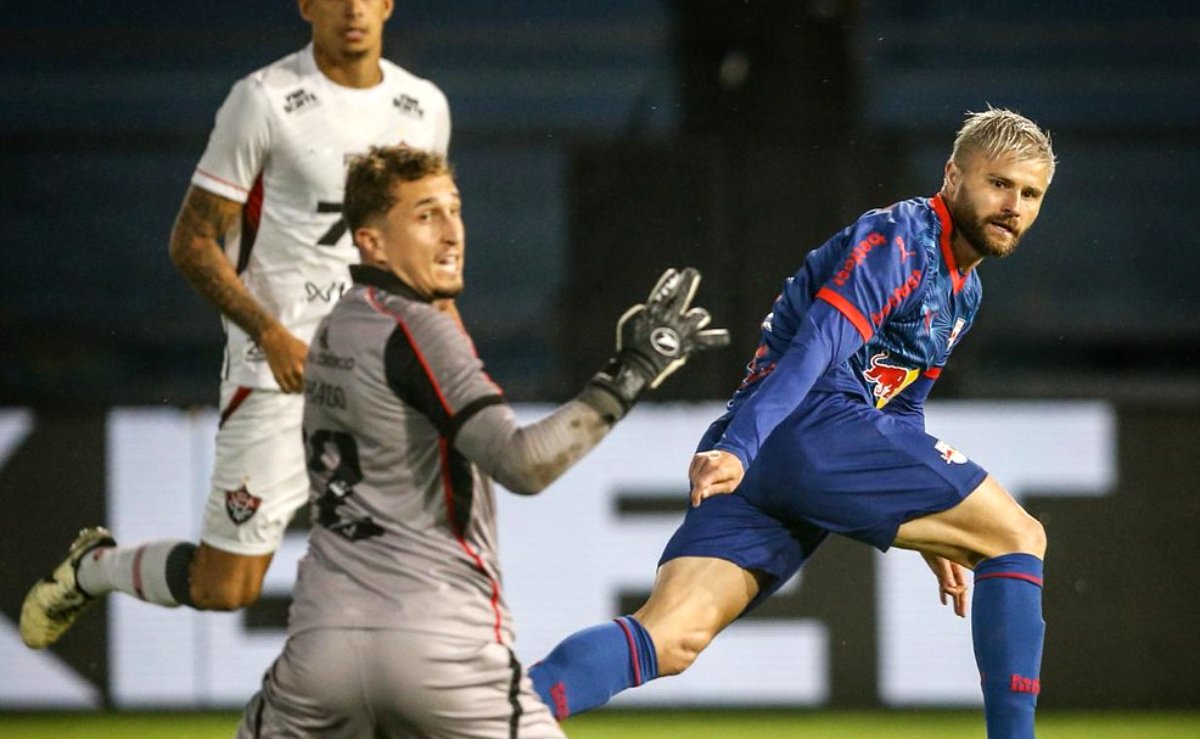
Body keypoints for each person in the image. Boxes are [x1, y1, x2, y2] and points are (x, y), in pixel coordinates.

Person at [529, 107, 1056, 739]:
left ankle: (484, 717)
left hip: (773, 443)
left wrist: (935, 521)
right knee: (1020, 538)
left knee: (669, 637)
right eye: (999, 183)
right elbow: (820, 343)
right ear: (952, 175)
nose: (1014, 206)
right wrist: (742, 450)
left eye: (1030, 194)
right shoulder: (903, 239)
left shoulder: (962, 288)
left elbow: (904, 406)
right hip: (809, 426)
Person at [232, 145, 726, 737]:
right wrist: (631, 371)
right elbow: (522, 464)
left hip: (321, 651)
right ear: (371, 241)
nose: (450, 234)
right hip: (435, 643)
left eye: (453, 210)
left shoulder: (339, 326)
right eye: (424, 215)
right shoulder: (419, 331)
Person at [20, 0, 452, 649]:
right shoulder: (264, 100)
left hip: (379, 378)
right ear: (307, 5)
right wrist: (268, 330)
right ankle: (96, 568)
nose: (353, 8)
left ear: (389, 3)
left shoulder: (423, 107)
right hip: (280, 372)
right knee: (225, 587)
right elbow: (192, 240)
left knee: (416, 576)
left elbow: (429, 255)